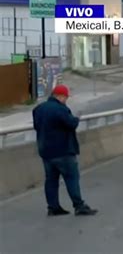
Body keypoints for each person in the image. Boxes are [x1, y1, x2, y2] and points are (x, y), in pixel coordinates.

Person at [32, 85, 98, 216]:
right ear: (61, 96)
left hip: (45, 151)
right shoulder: (60, 109)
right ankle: (79, 206)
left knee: (51, 180)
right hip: (63, 151)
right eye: (66, 97)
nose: (66, 100)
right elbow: (71, 124)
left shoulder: (38, 109)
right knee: (72, 178)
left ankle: (53, 207)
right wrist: (76, 118)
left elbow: (36, 126)